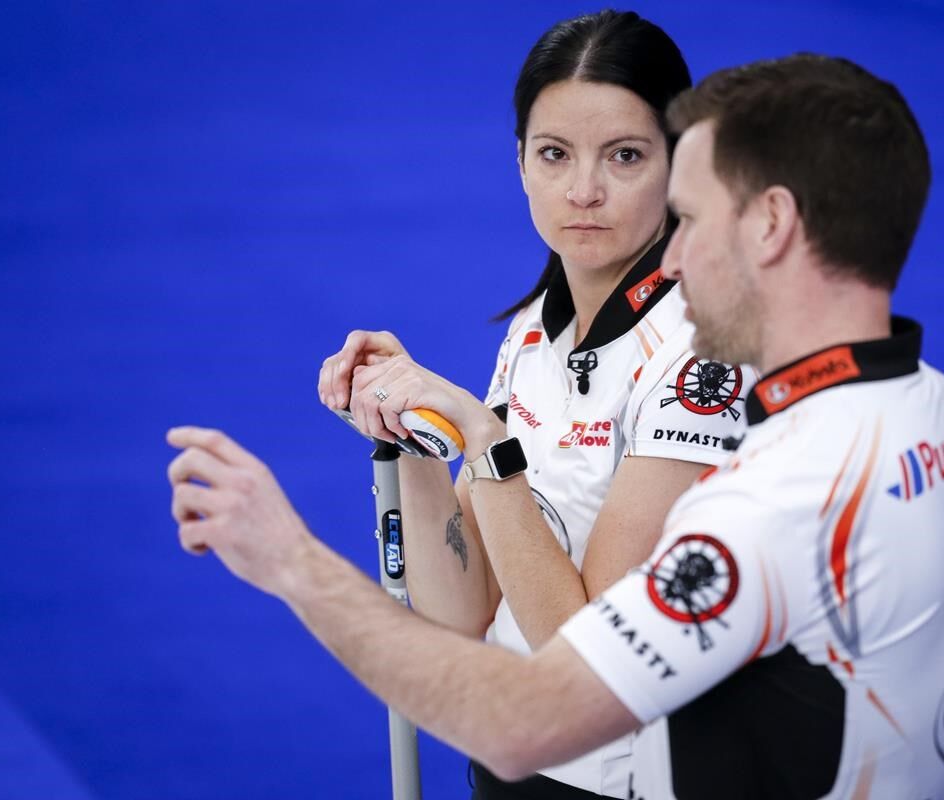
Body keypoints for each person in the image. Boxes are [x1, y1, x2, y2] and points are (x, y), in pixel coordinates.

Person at [168, 53, 944, 799]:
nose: (675, 258)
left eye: (688, 218)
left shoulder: (768, 508)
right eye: (553, 155)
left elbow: (521, 720)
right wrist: (430, 437)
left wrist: (291, 561)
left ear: (771, 224)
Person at [312, 10, 752, 799]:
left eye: (624, 156)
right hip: (512, 756)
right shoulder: (532, 332)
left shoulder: (701, 350)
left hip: (630, 779)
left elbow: (583, 658)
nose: (583, 191)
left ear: (680, 163)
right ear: (519, 162)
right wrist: (417, 437)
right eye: (554, 155)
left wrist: (484, 442)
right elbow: (460, 617)